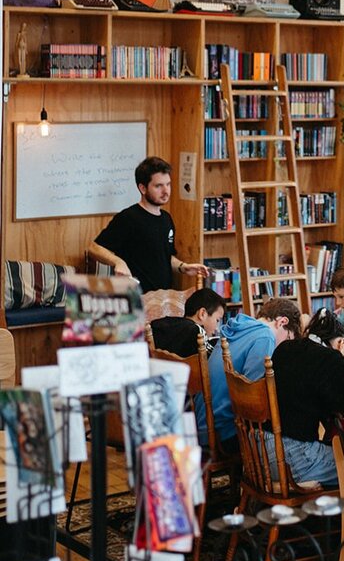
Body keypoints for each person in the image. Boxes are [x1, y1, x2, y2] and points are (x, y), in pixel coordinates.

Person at [268, 309, 344, 486]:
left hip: (259, 453)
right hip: (292, 459)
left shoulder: (285, 348)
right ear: (341, 343)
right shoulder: (330, 358)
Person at [197, 298, 303, 453]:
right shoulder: (265, 336)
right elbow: (253, 396)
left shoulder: (239, 328)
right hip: (225, 432)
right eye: (287, 340)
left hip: (204, 425)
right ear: (282, 322)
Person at [88, 156, 208, 292]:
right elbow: (94, 248)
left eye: (168, 184)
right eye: (158, 186)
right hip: (137, 297)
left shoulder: (166, 219)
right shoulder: (128, 218)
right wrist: (119, 262)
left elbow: (165, 257)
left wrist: (183, 267)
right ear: (143, 188)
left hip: (163, 298)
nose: (166, 191)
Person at [149, 288, 226, 357]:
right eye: (217, 320)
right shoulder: (197, 331)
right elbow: (217, 357)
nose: (217, 328)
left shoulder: (157, 325)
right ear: (202, 314)